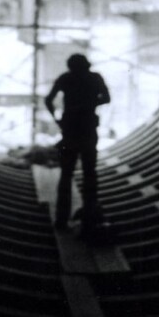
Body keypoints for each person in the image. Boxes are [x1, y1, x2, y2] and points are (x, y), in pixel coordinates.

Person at [44, 53, 111, 239]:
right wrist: (89, 104)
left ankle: (61, 219)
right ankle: (89, 218)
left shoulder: (65, 78)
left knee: (66, 173)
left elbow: (48, 100)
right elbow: (107, 98)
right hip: (89, 129)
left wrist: (57, 119)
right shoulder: (95, 77)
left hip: (70, 130)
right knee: (90, 172)